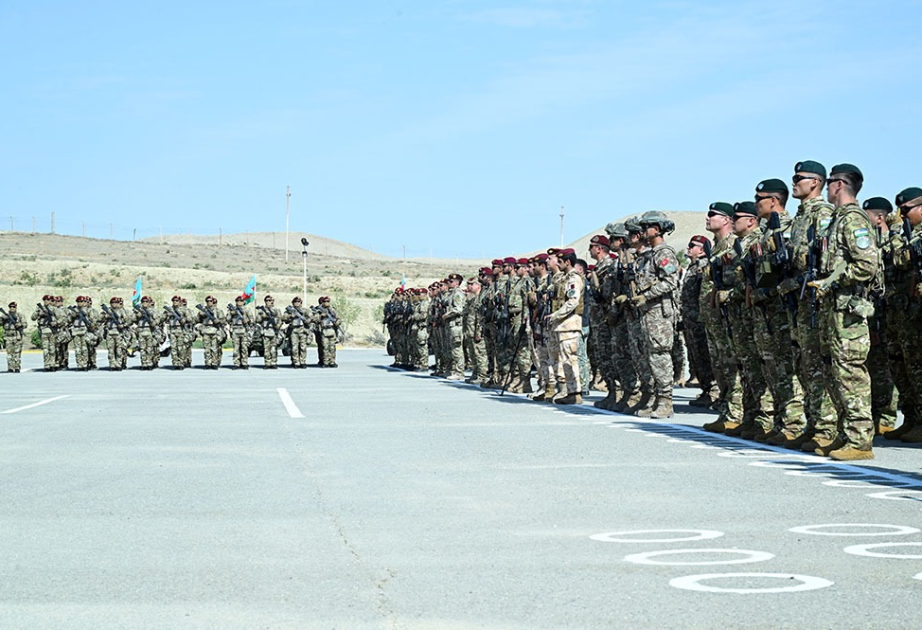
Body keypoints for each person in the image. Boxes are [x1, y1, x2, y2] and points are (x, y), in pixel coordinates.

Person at [806, 163, 878, 460]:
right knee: (833, 371)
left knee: (850, 373)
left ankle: (861, 441)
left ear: (838, 185)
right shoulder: (837, 220)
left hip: (848, 312)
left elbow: (867, 264)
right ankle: (845, 434)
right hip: (832, 309)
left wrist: (833, 279)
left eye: (829, 184)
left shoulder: (853, 220)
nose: (825, 189)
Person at [750, 178, 806, 446]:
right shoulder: (765, 233)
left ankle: (794, 423)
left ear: (773, 201)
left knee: (788, 368)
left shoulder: (791, 228)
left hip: (785, 309)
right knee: (772, 367)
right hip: (767, 312)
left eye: (759, 198)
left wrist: (773, 291)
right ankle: (782, 421)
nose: (755, 203)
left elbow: (797, 270)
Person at [700, 203, 744, 433]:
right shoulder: (716, 247)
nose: (707, 219)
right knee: (720, 366)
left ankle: (736, 412)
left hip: (728, 316)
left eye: (712, 215)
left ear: (726, 219)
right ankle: (726, 410)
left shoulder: (732, 245)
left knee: (731, 364)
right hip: (713, 316)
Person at [682, 235, 717, 408]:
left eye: (692, 245)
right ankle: (706, 390)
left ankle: (713, 390)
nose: (689, 248)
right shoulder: (692, 267)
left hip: (700, 319)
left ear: (702, 249)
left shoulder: (703, 266)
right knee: (697, 356)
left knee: (705, 355)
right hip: (691, 320)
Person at [548, 248, 584, 404]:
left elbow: (573, 301)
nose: (558, 264)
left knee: (570, 359)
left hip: (570, 324)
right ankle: (569, 391)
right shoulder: (563, 278)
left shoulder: (574, 279)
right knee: (564, 359)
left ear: (567, 262)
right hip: (563, 325)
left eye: (560, 262)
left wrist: (556, 315)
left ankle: (575, 392)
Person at [102, 297, 134, 370]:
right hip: (110, 333)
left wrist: (123, 325)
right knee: (111, 350)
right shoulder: (108, 311)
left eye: (116, 303)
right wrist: (105, 317)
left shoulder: (122, 311)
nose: (114, 304)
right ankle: (112, 365)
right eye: (112, 303)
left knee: (119, 350)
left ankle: (119, 364)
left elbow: (129, 321)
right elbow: (99, 319)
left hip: (119, 333)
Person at [69, 296, 98, 371]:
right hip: (76, 330)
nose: (80, 303)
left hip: (84, 330)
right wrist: (76, 313)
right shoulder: (75, 310)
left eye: (82, 302)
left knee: (84, 349)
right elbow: (70, 318)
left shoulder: (88, 310)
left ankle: (85, 364)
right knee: (78, 349)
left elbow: (93, 320)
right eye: (78, 302)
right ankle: (79, 365)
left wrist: (92, 326)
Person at [196, 296, 226, 369]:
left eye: (211, 301)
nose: (209, 302)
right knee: (207, 349)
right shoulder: (203, 311)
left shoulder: (218, 311)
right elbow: (197, 320)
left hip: (215, 330)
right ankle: (208, 363)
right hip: (206, 330)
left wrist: (218, 321)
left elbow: (224, 321)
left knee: (214, 348)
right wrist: (200, 314)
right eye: (207, 301)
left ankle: (214, 363)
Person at [135, 296, 163, 370]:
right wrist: (138, 315)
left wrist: (154, 322)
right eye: (143, 302)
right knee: (142, 349)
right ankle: (144, 364)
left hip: (150, 331)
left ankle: (149, 363)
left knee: (150, 348)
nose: (144, 303)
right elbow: (133, 319)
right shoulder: (139, 311)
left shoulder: (153, 311)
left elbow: (158, 319)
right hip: (141, 331)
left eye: (146, 302)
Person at [32, 295, 58, 371]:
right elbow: (33, 318)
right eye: (45, 300)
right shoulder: (39, 308)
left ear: (50, 301)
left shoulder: (54, 309)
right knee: (46, 349)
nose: (46, 301)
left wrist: (56, 322)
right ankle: (47, 365)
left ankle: (52, 364)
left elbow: (62, 319)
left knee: (52, 348)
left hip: (52, 331)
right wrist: (38, 312)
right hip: (43, 330)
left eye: (48, 300)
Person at [227, 295, 254, 369]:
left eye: (241, 301)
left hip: (244, 330)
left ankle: (244, 363)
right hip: (235, 330)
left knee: (244, 348)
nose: (239, 302)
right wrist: (231, 313)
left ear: (243, 302)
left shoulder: (247, 310)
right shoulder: (232, 310)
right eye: (237, 301)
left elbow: (252, 320)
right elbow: (227, 320)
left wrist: (247, 320)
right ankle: (236, 363)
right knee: (236, 348)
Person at [284, 296, 311, 368]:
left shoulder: (304, 310)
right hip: (294, 330)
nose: (297, 303)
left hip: (302, 329)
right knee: (294, 347)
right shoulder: (290, 311)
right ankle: (296, 362)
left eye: (298, 302)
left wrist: (308, 320)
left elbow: (311, 317)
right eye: (295, 302)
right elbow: (284, 319)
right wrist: (290, 316)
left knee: (303, 347)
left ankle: (303, 361)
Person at [256, 295, 282, 369]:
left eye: (270, 300)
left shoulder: (276, 310)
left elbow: (280, 319)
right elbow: (257, 320)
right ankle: (267, 363)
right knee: (266, 349)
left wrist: (278, 326)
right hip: (266, 331)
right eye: (267, 300)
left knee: (274, 349)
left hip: (274, 331)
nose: (269, 302)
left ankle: (274, 363)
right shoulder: (262, 310)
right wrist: (262, 316)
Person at [314, 296, 341, 367]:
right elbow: (315, 320)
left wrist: (337, 322)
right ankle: (325, 362)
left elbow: (338, 319)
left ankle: (332, 362)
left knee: (332, 347)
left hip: (332, 330)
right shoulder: (319, 311)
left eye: (328, 301)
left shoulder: (332, 310)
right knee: (325, 347)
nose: (327, 303)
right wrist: (321, 316)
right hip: (324, 330)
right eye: (325, 301)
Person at [0, 302, 25, 372]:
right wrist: (2, 318)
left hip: (17, 337)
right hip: (8, 337)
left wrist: (20, 325)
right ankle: (10, 367)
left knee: (17, 353)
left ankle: (17, 367)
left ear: (16, 307)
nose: (12, 308)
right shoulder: (5, 316)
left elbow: (25, 324)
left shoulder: (20, 315)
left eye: (13, 307)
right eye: (10, 307)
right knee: (9, 354)